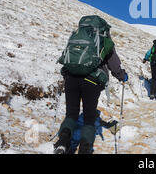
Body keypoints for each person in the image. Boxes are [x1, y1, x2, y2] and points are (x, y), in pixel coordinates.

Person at [54, 15, 128, 154]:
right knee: (89, 118)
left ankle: (62, 143)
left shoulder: (76, 36)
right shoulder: (105, 40)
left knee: (71, 114)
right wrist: (122, 76)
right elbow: (114, 64)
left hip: (71, 78)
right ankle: (84, 149)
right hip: (91, 81)